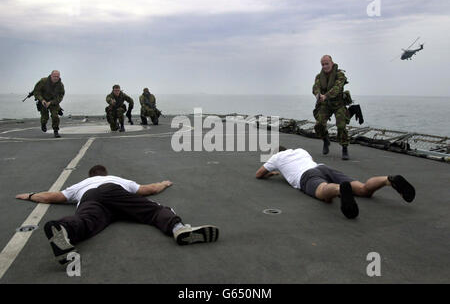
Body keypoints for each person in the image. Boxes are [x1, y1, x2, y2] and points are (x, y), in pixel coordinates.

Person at [16, 165, 219, 265]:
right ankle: (179, 229)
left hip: (90, 198)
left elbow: (53, 196)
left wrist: (31, 195)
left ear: (91, 176)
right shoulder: (115, 178)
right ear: (104, 173)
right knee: (153, 210)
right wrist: (164, 183)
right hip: (113, 192)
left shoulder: (81, 185)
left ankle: (63, 228)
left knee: (85, 221)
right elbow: (148, 190)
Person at [255, 146, 415, 219]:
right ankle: (388, 180)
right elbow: (309, 162)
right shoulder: (300, 151)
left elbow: (259, 174)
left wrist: (273, 172)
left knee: (323, 191)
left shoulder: (276, 157)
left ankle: (339, 190)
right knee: (363, 189)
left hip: (306, 176)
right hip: (322, 168)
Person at [312, 55, 351, 160]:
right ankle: (325, 140)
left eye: (326, 64)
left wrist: (326, 96)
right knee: (318, 124)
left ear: (332, 63)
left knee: (341, 126)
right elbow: (315, 87)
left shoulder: (340, 75)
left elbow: (337, 88)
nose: (325, 66)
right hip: (326, 104)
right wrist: (318, 95)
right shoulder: (319, 77)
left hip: (339, 104)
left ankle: (344, 148)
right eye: (323, 64)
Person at [32, 70, 65, 138]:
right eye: (54, 76)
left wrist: (52, 102)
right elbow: (36, 92)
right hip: (43, 101)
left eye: (57, 76)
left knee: (55, 116)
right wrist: (42, 100)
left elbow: (60, 96)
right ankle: (43, 124)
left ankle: (56, 131)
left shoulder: (60, 85)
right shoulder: (43, 81)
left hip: (53, 102)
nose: (56, 78)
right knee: (45, 116)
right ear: (51, 75)